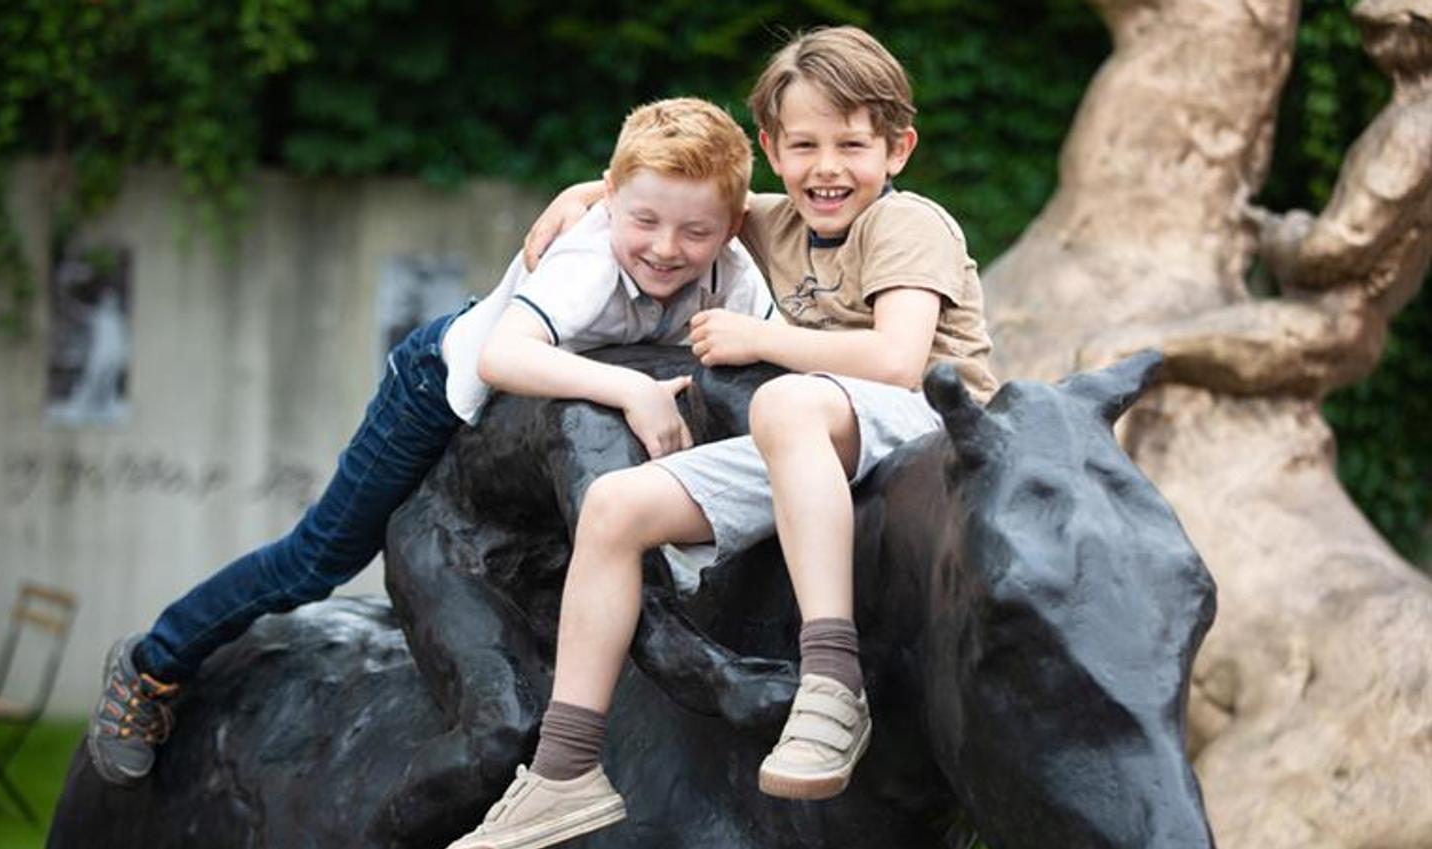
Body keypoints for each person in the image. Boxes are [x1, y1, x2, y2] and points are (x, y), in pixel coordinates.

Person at [85, 97, 773, 787]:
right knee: (320, 556)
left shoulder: (734, 273)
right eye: (644, 220)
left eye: (694, 231)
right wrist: (632, 390)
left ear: (732, 227)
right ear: (612, 199)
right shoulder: (589, 260)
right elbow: (503, 356)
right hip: (439, 391)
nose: (664, 247)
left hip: (534, 441)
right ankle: (152, 663)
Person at [448, 25, 997, 849]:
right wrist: (584, 193)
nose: (828, 168)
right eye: (804, 144)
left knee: (785, 404)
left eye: (853, 144)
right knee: (615, 507)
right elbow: (675, 190)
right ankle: (565, 767)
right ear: (772, 149)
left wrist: (763, 343)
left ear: (899, 150)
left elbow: (895, 359)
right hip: (816, 437)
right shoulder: (772, 223)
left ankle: (831, 681)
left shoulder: (908, 223)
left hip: (928, 429)